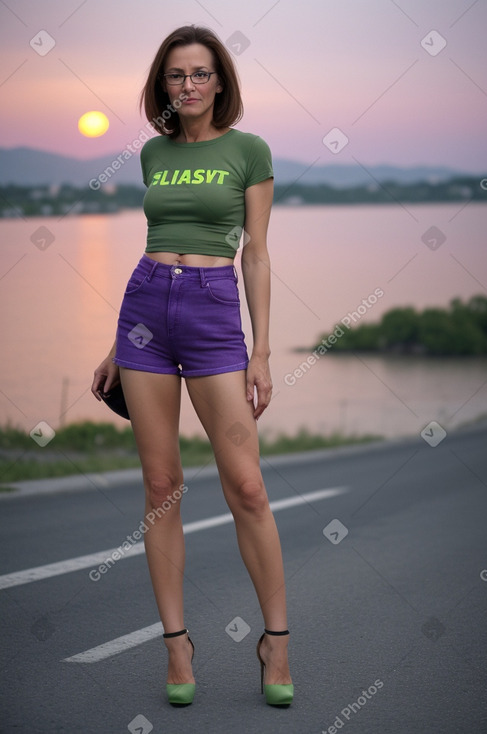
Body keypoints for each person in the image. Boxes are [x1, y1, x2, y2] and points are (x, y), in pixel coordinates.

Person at [91, 24, 293, 707]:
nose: (188, 86)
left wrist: (259, 349)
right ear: (162, 84)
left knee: (247, 486)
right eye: (176, 76)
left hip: (212, 314)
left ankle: (275, 641)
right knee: (159, 486)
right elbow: (153, 244)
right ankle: (177, 647)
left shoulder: (248, 150)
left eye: (200, 74)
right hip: (145, 310)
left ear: (220, 81)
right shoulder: (151, 153)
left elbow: (256, 254)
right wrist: (118, 344)